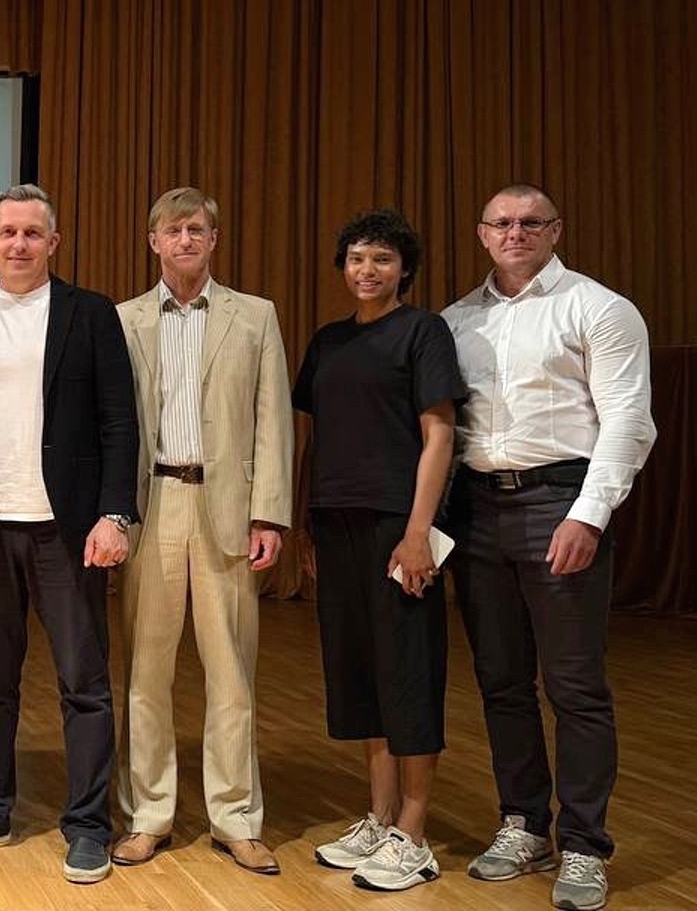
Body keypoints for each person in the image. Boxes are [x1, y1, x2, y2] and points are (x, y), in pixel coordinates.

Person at [442, 184, 655, 911]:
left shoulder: (599, 308)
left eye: (531, 222)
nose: (516, 233)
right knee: (501, 682)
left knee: (575, 686)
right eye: (502, 223)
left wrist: (588, 516)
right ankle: (524, 824)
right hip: (477, 510)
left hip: (559, 500)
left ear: (555, 230)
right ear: (482, 234)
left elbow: (628, 422)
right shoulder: (457, 320)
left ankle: (586, 844)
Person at [0, 184, 138, 885]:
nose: (18, 244)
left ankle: (88, 825)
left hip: (66, 529)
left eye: (31, 233)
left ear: (53, 242)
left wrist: (115, 514)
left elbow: (119, 421)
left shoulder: (91, 314)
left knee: (84, 683)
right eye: (7, 233)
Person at [111, 186, 293, 876]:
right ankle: (148, 814)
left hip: (228, 508)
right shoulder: (124, 319)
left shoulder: (255, 316)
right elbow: (114, 423)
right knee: (145, 672)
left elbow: (273, 420)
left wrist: (268, 512)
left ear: (214, 239)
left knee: (232, 672)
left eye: (196, 229)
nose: (184, 240)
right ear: (153, 242)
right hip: (153, 502)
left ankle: (237, 819)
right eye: (172, 230)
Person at [293, 209, 467, 892]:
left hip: (398, 523)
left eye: (383, 259)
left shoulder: (424, 332)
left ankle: (413, 834)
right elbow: (317, 437)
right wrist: (307, 523)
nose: (368, 270)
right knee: (361, 671)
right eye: (358, 258)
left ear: (405, 270)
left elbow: (439, 434)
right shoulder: (328, 341)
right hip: (335, 523)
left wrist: (419, 532)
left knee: (407, 670)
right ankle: (379, 814)